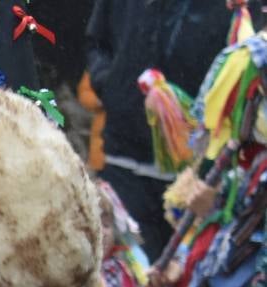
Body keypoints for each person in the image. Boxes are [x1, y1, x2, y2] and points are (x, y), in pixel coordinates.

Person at [85, 0, 233, 257]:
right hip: (124, 161)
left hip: (195, 174)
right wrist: (111, 85)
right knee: (129, 273)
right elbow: (98, 42)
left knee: (184, 281)